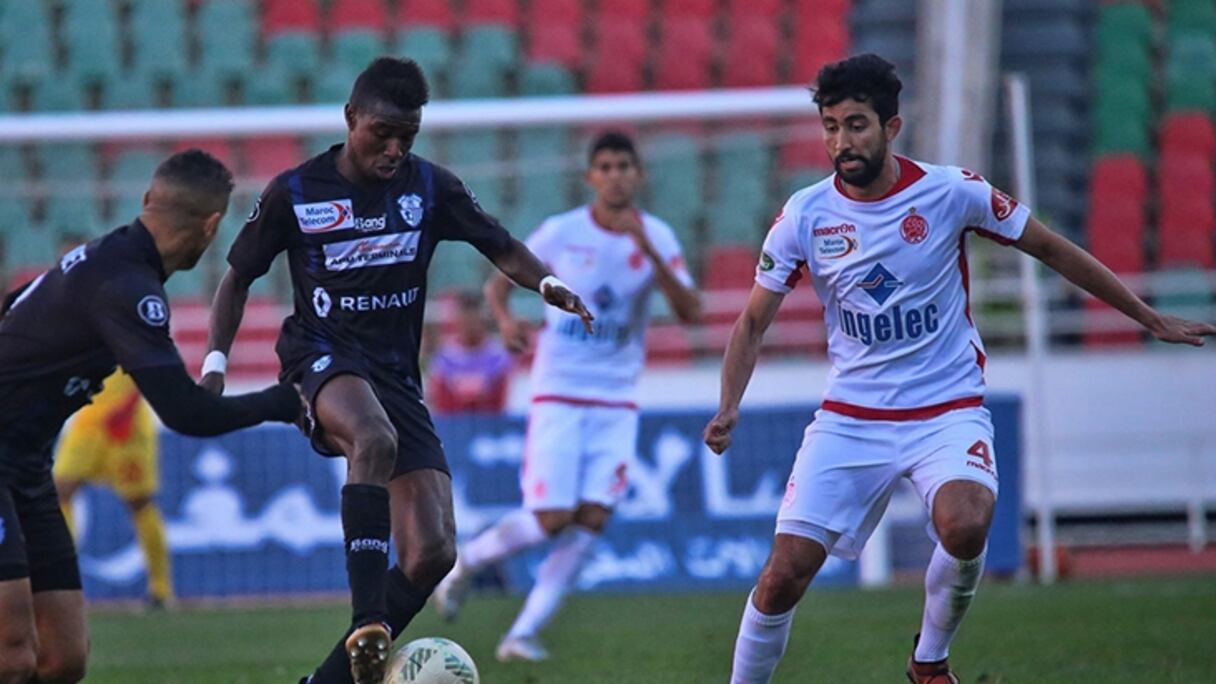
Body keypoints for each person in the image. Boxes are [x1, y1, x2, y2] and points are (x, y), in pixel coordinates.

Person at [702, 54, 1216, 684]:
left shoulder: (951, 193)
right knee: (783, 574)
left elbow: (1049, 247)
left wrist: (1146, 315)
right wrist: (729, 404)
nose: (841, 142)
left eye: (856, 125)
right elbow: (752, 321)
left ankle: (929, 662)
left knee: (967, 521)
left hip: (946, 409)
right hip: (851, 418)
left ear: (891, 127)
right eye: (831, 127)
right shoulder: (805, 216)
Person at [199, 57, 592, 684]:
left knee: (434, 551)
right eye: (382, 133)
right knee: (373, 439)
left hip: (394, 376)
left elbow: (500, 244)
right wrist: (216, 363)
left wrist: (547, 284)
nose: (394, 149)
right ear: (351, 117)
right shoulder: (295, 192)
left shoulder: (428, 187)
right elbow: (237, 277)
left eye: (407, 136)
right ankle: (369, 621)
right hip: (319, 356)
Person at [0, 149, 302, 684]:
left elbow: (16, 305)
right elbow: (185, 414)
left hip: (25, 466)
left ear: (147, 200)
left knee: (63, 659)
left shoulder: (103, 258)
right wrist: (285, 402)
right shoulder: (128, 287)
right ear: (211, 226)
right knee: (14, 655)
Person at [433, 131, 702, 662]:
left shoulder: (657, 236)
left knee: (594, 517)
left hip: (616, 400)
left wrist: (648, 250)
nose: (616, 176)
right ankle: (466, 563)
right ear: (590, 177)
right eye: (606, 167)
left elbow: (691, 312)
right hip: (558, 394)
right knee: (553, 517)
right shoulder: (562, 232)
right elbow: (498, 284)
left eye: (625, 166)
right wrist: (506, 321)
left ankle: (521, 634)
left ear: (639, 175)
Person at [53, 368, 173, 610]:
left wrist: (128, 406)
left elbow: (152, 365)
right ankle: (61, 578)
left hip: (126, 424)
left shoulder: (134, 340)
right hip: (89, 421)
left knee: (139, 502)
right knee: (59, 492)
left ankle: (160, 589)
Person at [426, 290, 513, 414]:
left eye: (474, 321)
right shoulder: (444, 357)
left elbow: (501, 399)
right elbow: (439, 402)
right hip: (453, 421)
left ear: (483, 321)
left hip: (490, 421)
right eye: (466, 320)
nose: (470, 326)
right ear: (458, 321)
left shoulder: (498, 356)